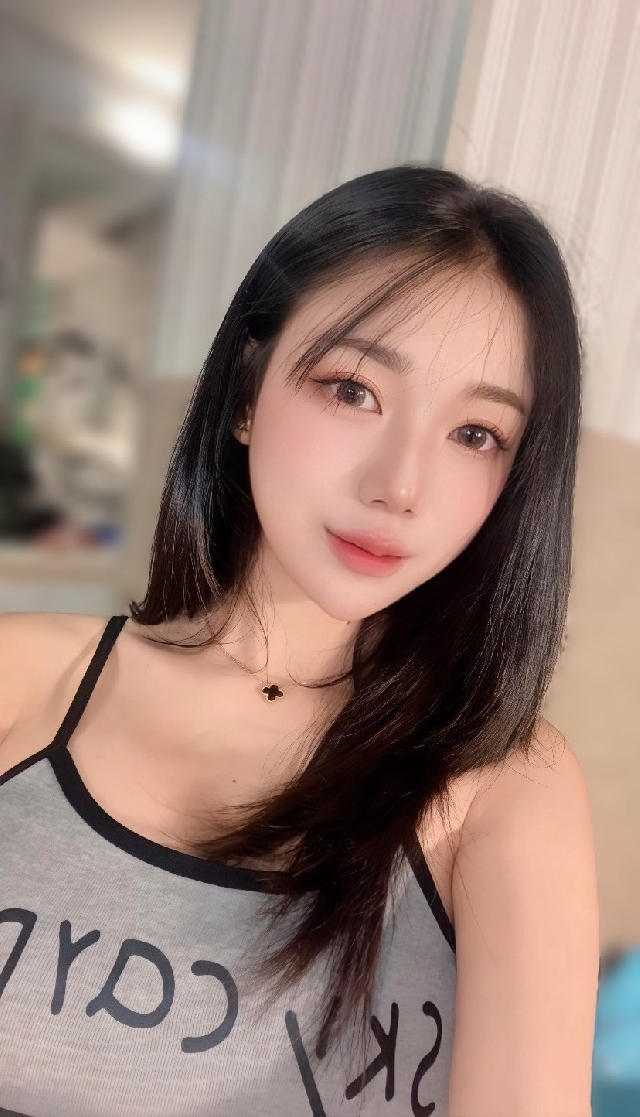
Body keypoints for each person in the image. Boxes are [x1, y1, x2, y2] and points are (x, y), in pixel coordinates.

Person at [0, 165, 599, 1116]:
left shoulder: (501, 786)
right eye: (353, 389)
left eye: (476, 434)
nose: (399, 485)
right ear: (247, 390)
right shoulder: (24, 679)